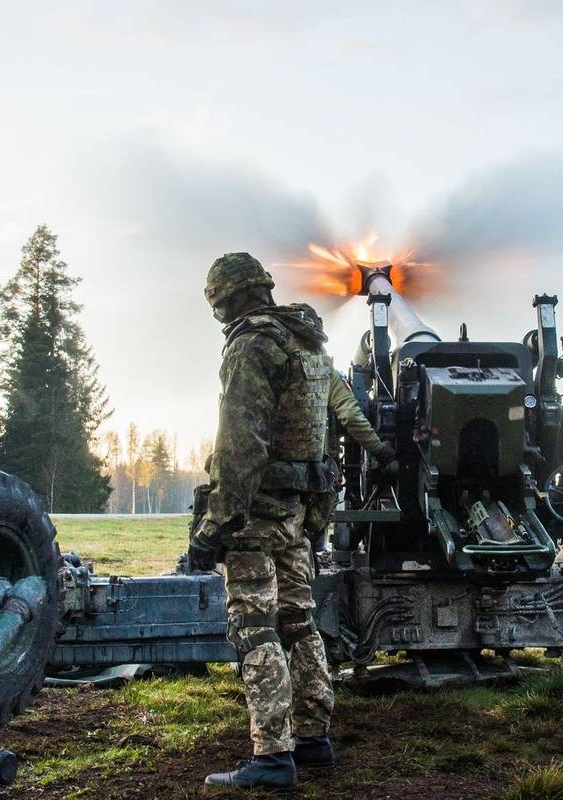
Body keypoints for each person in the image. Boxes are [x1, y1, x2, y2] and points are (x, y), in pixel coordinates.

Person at [188, 253, 337, 790]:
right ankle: (313, 735)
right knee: (300, 619)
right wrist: (316, 515)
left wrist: (215, 525)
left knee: (254, 627)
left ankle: (272, 754)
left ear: (225, 299)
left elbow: (239, 445)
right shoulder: (310, 346)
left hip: (254, 513)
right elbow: (328, 441)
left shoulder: (250, 346)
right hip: (297, 510)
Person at [294, 303, 397, 539]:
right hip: (310, 475)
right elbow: (350, 416)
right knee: (303, 544)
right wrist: (380, 450)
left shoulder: (270, 362)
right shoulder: (323, 371)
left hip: (269, 477)